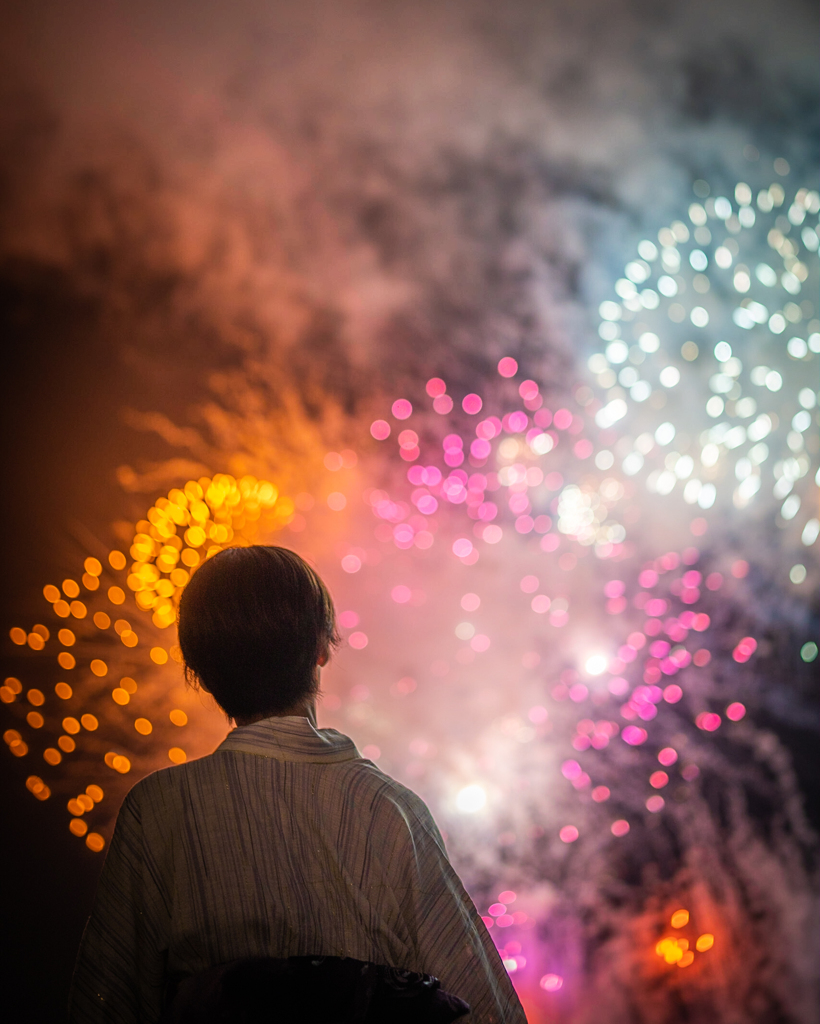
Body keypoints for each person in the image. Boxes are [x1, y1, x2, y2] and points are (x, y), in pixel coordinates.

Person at [69, 545, 527, 1023]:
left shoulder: (158, 809)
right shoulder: (390, 812)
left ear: (198, 672)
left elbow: (104, 1001)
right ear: (322, 647)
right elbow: (485, 1009)